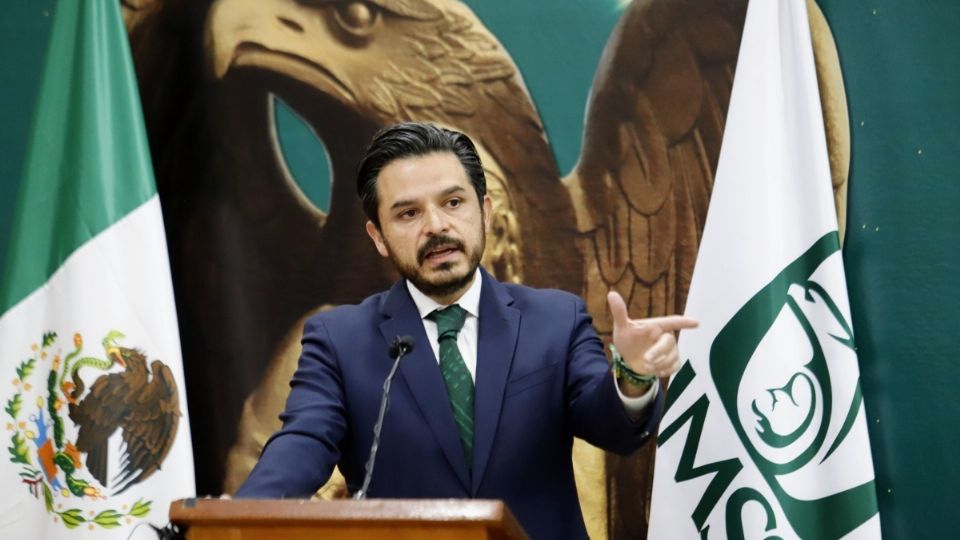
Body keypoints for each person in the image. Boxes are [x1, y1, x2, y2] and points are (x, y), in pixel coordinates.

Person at [236, 122, 698, 539]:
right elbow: (303, 443)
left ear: (485, 212)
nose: (437, 226)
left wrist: (632, 374)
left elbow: (612, 428)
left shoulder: (556, 319)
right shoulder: (339, 340)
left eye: (453, 203)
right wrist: (239, 520)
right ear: (378, 237)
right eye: (408, 214)